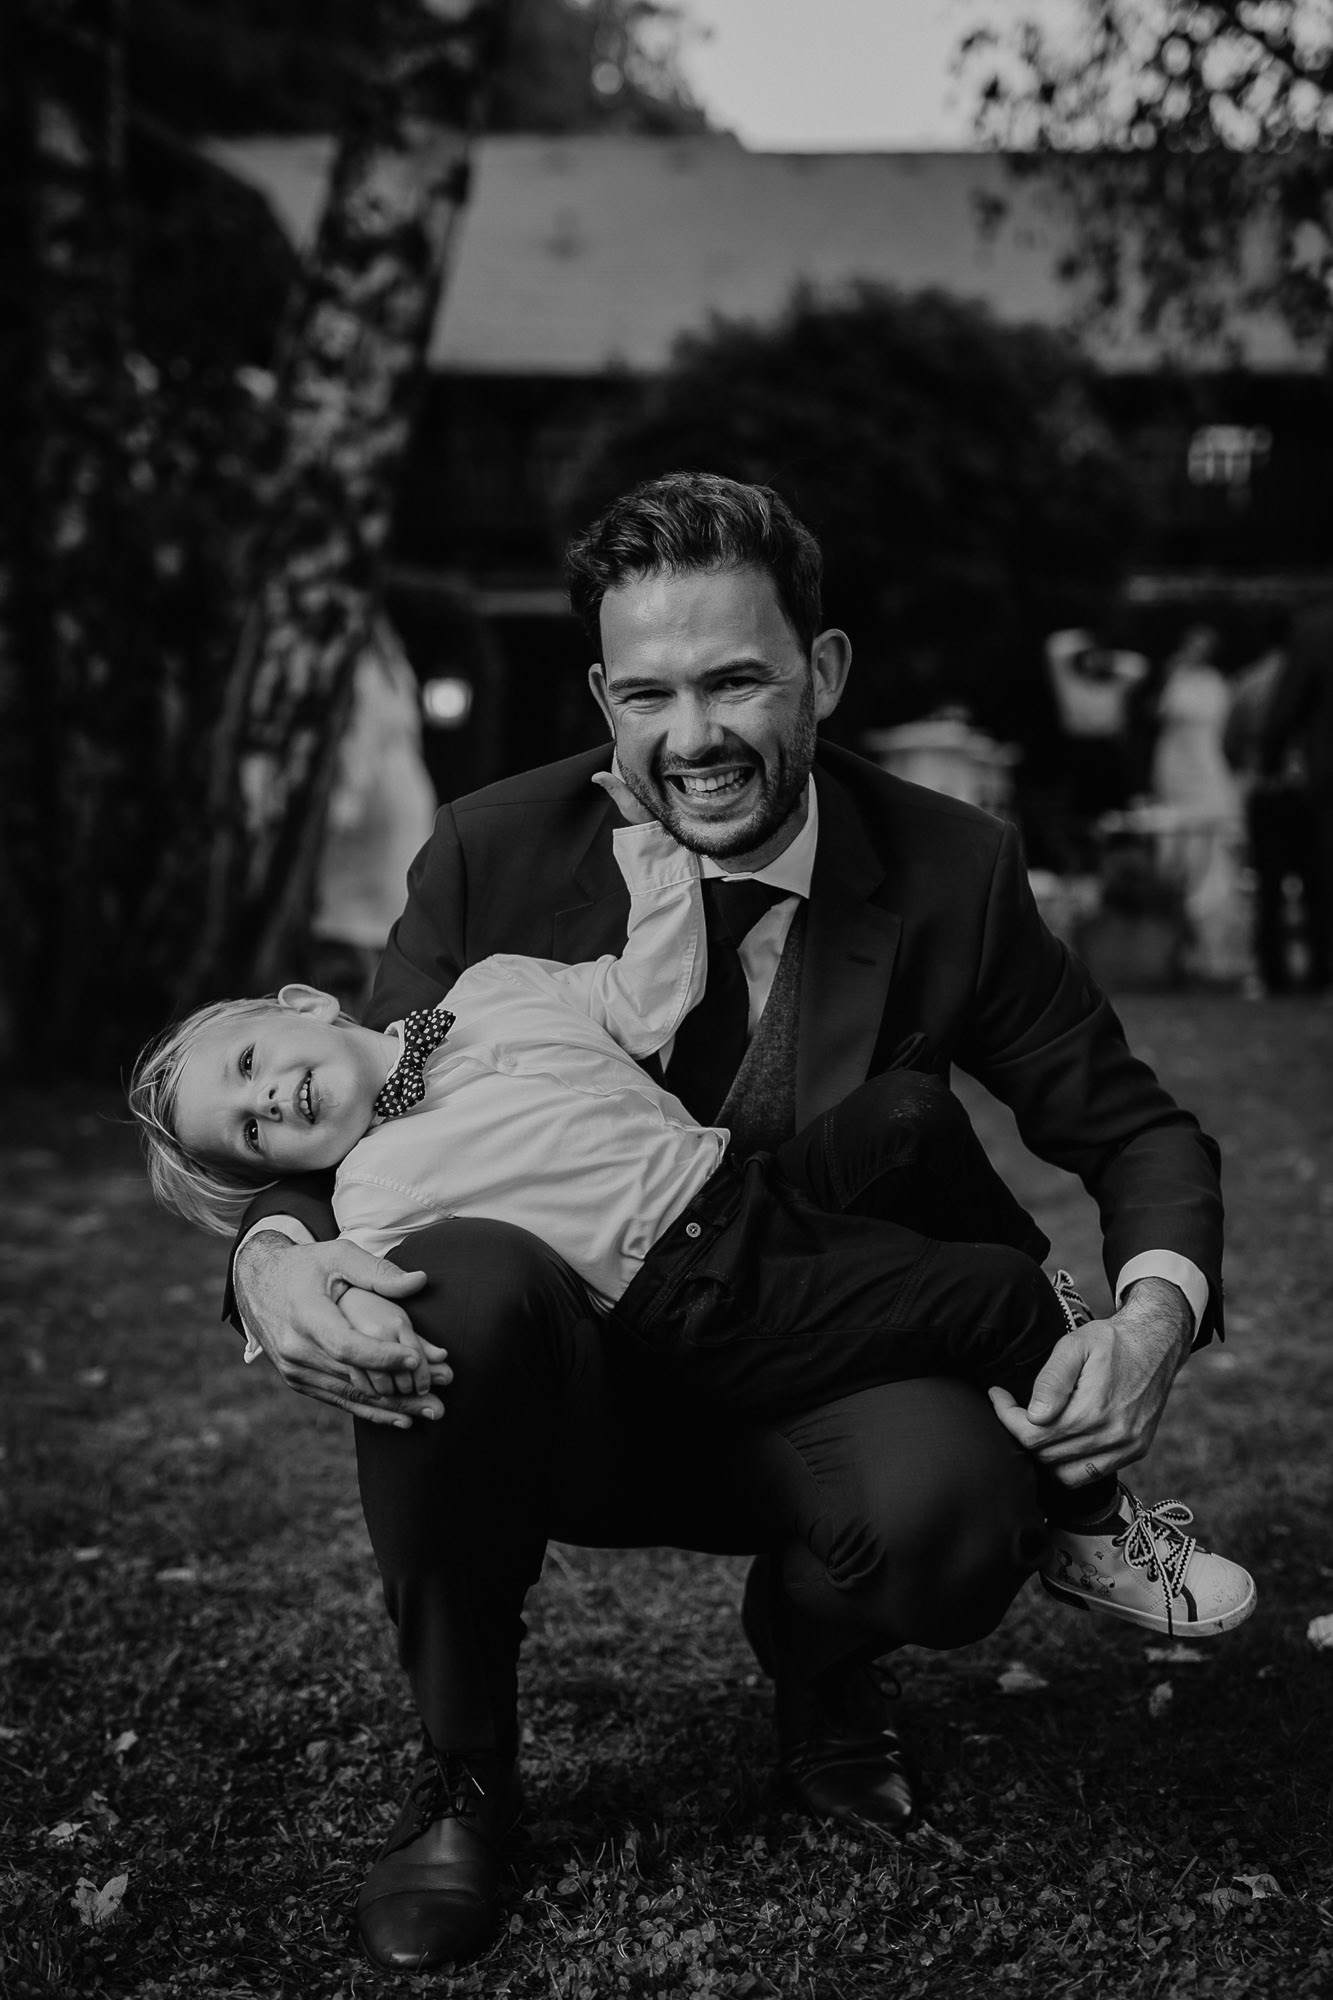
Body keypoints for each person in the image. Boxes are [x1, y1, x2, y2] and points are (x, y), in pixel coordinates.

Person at [224, 474, 1228, 1973]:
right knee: (454, 1274)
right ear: (601, 698)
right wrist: (271, 1258)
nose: (689, 735)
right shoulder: (496, 848)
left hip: (814, 1329)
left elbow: (1132, 1126)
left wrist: (1149, 1320)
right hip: (562, 1369)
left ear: (822, 670)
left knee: (959, 1518)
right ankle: (465, 1780)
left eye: (735, 680)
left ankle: (824, 1666)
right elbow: (355, 1095)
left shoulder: (949, 864)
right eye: (647, 693)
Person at [310, 616, 437, 1018]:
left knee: (350, 927)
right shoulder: (391, 664)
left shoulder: (356, 665)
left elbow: (358, 742)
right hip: (404, 799)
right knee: (381, 929)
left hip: (374, 811)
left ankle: (360, 1015)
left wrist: (339, 811)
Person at [1257, 597, 1333, 995]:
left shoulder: (1316, 633)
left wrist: (1270, 765)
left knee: (1320, 876)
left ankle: (1318, 972)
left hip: (1324, 777)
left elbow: (1283, 713)